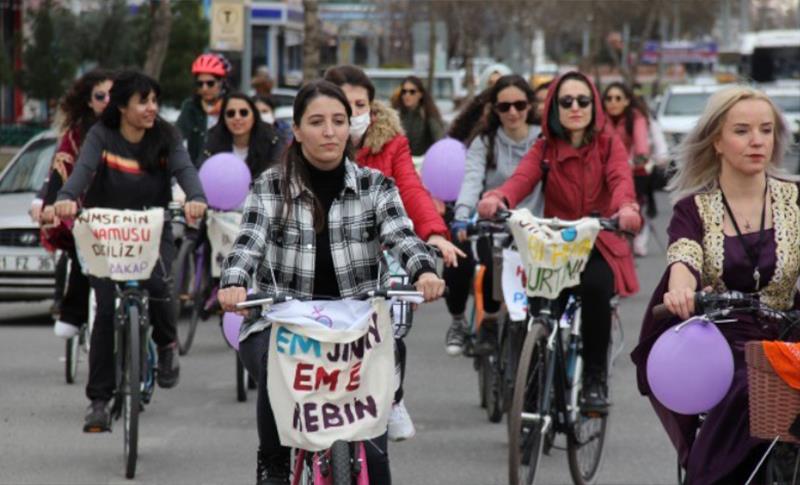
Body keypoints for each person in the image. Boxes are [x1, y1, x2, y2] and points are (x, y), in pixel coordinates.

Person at [217, 80, 445, 485]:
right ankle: (273, 461)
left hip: (359, 326)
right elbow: (247, 244)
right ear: (298, 130)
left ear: (350, 128)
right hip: (284, 321)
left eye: (339, 121)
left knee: (376, 460)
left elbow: (402, 236)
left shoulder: (377, 186)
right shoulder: (271, 186)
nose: (329, 131)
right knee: (273, 364)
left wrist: (424, 270)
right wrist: (234, 281)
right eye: (317, 122)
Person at [630, 86, 798, 484]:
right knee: (747, 386)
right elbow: (683, 258)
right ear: (717, 141)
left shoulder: (795, 199)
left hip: (789, 331)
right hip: (724, 335)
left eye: (766, 130)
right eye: (742, 131)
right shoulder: (693, 209)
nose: (757, 140)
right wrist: (681, 289)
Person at [477, 71, 642, 413]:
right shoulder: (544, 148)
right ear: (554, 107)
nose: (575, 107)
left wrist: (626, 208)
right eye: (566, 101)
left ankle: (594, 381)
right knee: (538, 312)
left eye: (583, 100)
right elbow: (520, 180)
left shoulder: (610, 145)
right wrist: (498, 197)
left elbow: (621, 181)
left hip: (598, 242)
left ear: (594, 106)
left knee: (597, 289)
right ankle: (533, 390)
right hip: (555, 247)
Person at [53, 70, 208, 433]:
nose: (152, 108)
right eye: (143, 101)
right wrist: (64, 199)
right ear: (122, 106)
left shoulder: (167, 137)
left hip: (151, 230)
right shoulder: (100, 136)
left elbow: (186, 171)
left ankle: (166, 344)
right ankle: (99, 402)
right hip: (105, 233)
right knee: (106, 310)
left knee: (159, 288)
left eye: (155, 100)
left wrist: (196, 199)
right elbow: (82, 172)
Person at [324, 64, 464, 441]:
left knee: (391, 331)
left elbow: (411, 190)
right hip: (324, 256)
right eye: (342, 106)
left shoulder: (392, 144)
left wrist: (433, 233)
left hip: (385, 250)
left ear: (371, 107)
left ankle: (393, 396)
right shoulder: (307, 145)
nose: (351, 115)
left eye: (359, 105)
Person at [444, 74, 545, 356]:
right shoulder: (485, 142)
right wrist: (462, 216)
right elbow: (472, 180)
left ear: (529, 106)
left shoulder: (545, 140)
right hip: (495, 224)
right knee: (487, 262)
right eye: (504, 107)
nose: (512, 112)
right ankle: (484, 321)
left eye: (519, 105)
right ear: (494, 109)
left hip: (538, 225)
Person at [33, 69, 114, 338]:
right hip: (84, 206)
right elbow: (60, 168)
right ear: (89, 101)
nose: (107, 101)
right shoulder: (76, 134)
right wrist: (51, 203)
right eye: (100, 96)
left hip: (123, 207)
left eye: (112, 96)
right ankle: (72, 312)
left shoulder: (132, 127)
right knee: (83, 257)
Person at [602, 82, 652, 256]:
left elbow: (642, 147)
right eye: (608, 98)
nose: (613, 102)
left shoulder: (636, 118)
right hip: (605, 174)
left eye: (618, 98)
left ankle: (637, 239)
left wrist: (634, 160)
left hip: (634, 171)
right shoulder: (599, 119)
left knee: (633, 208)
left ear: (627, 101)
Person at [203, 92, 281, 178]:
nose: (237, 117)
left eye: (243, 113)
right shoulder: (212, 143)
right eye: (230, 113)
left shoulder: (272, 142)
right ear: (223, 118)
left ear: (254, 115)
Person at [176, 53, 230, 165]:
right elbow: (177, 136)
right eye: (200, 84)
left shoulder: (232, 106)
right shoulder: (190, 107)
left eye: (210, 83)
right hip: (197, 171)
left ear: (221, 83)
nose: (204, 88)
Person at [390, 75, 444, 156]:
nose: (407, 95)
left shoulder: (428, 114)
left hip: (423, 162)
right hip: (400, 162)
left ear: (420, 94)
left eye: (412, 92)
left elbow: (440, 140)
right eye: (404, 91)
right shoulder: (395, 114)